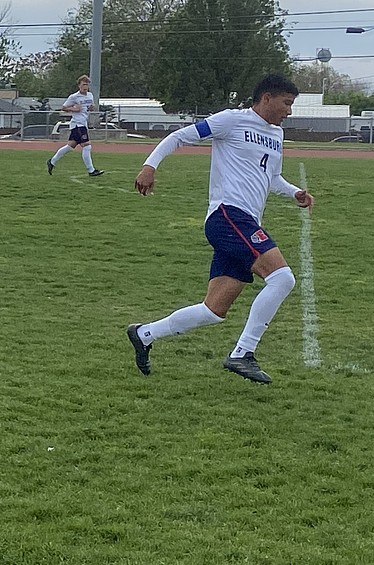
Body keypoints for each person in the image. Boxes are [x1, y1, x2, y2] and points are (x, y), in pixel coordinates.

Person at [126, 74, 315, 385]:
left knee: (213, 310)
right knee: (282, 278)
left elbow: (273, 178)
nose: (289, 111)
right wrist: (150, 166)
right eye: (286, 103)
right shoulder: (231, 120)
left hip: (245, 222)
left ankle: (144, 333)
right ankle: (243, 353)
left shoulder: (276, 134)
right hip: (227, 217)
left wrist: (294, 192)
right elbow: (179, 136)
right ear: (266, 98)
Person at [47, 74, 104, 177]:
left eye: (87, 84)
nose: (85, 87)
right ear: (79, 85)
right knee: (87, 146)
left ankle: (52, 161)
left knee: (70, 146)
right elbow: (64, 108)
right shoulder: (74, 97)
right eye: (83, 84)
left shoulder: (90, 95)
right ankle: (91, 170)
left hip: (83, 124)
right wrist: (74, 109)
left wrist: (92, 107)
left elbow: (91, 107)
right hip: (78, 124)